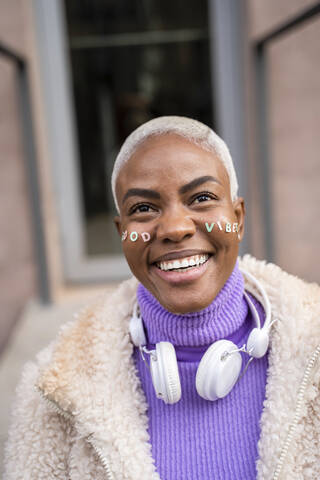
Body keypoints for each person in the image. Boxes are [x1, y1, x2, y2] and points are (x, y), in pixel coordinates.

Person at [3, 116, 320, 480]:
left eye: (202, 198)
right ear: (122, 232)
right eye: (143, 208)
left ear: (238, 217)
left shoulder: (315, 352)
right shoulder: (54, 394)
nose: (174, 228)